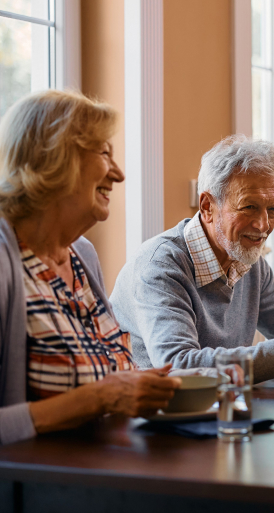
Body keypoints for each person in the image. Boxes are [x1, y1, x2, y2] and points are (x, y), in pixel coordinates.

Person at [0, 90, 181, 445]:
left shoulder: (82, 254)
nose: (119, 173)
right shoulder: (5, 260)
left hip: (104, 473)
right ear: (55, 158)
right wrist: (99, 398)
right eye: (104, 153)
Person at [111, 135, 274, 384]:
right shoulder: (160, 267)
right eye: (249, 207)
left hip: (223, 409)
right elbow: (179, 366)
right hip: (150, 420)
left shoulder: (248, 260)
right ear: (207, 207)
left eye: (273, 209)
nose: (263, 225)